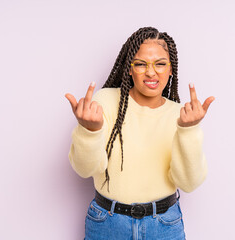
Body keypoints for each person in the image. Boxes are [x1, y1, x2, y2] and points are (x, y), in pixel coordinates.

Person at [65, 27, 215, 240]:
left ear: (171, 69)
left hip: (163, 224)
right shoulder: (105, 101)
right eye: (141, 64)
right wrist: (90, 130)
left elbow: (189, 183)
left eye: (160, 64)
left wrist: (188, 130)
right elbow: (84, 168)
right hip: (108, 223)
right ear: (129, 68)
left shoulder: (180, 115)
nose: (151, 72)